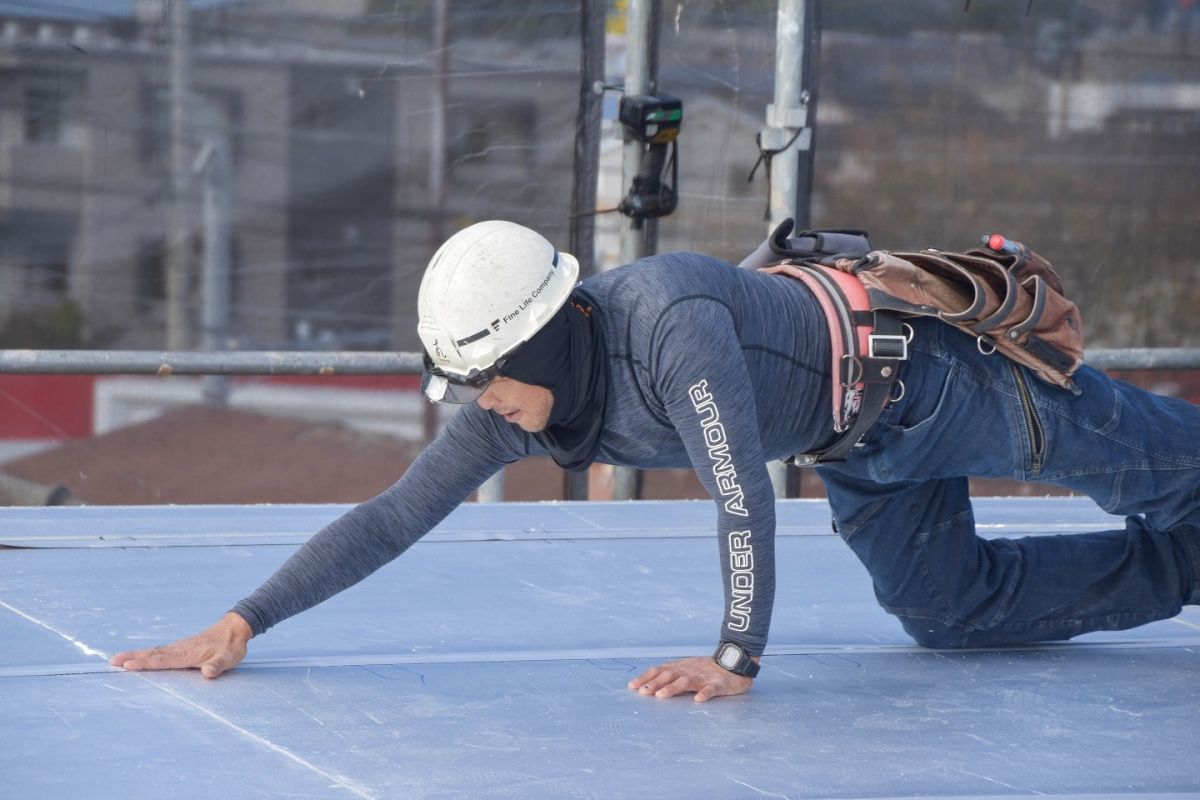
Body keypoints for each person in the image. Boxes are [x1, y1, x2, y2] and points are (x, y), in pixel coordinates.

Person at [111, 220, 1200, 702]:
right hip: (859, 441)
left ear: (535, 340)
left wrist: (737, 654)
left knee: (1163, 468)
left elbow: (737, 495)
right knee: (948, 609)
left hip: (940, 381)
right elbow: (393, 515)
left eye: (487, 376)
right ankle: (1184, 568)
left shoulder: (671, 321)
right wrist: (243, 618)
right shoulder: (519, 407)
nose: (481, 407)